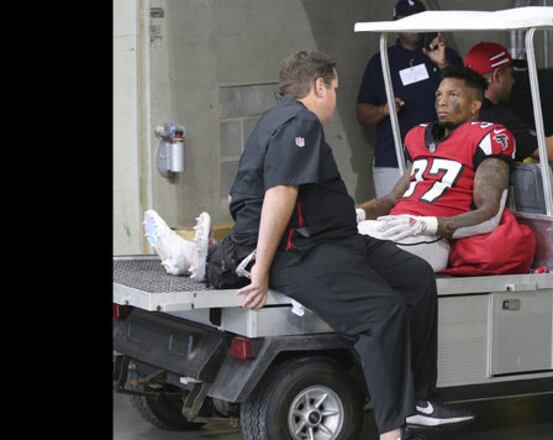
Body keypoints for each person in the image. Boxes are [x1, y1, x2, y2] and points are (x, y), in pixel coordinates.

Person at [143, 49, 474, 440]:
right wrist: (262, 269)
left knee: (415, 275)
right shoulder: (298, 122)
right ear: (318, 86)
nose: (335, 96)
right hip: (299, 251)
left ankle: (419, 399)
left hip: (339, 240)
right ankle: (392, 429)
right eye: (333, 87)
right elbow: (280, 193)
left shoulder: (282, 118)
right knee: (381, 314)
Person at [355, 65, 520, 273]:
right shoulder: (419, 136)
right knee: (332, 242)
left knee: (360, 258)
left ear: (475, 105)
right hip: (395, 225)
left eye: (453, 95)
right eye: (439, 94)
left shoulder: (487, 137)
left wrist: (429, 225)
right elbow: (391, 200)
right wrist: (359, 213)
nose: (441, 101)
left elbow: (489, 213)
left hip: (431, 238)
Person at [357, 0, 463, 197]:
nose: (413, 23)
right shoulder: (380, 60)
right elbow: (362, 114)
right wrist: (384, 110)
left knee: (434, 218)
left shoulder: (446, 56)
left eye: (418, 17)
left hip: (440, 154)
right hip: (392, 157)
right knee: (390, 217)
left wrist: (442, 64)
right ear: (395, 21)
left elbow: (467, 101)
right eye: (407, 17)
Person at [464, 41, 553, 162]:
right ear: (497, 76)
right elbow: (551, 151)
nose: (513, 81)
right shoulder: (497, 119)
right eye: (510, 74)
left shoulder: (460, 112)